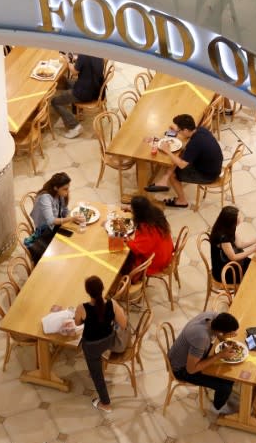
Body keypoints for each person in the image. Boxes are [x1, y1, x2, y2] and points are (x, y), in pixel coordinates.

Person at [167, 311, 239, 414]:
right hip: (180, 369)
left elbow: (218, 333)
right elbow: (191, 370)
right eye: (230, 333)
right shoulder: (201, 338)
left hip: (186, 355)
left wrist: (224, 339)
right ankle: (217, 408)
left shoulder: (212, 316)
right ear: (222, 331)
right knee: (225, 385)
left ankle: (221, 395)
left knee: (227, 370)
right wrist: (219, 355)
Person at [74, 275, 128, 413]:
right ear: (103, 288)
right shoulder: (112, 304)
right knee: (96, 366)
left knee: (97, 375)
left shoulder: (82, 308)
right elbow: (123, 324)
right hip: (108, 341)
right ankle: (98, 368)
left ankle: (106, 403)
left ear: (87, 292)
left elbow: (77, 323)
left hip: (91, 346)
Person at [145, 113, 223, 208]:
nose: (178, 131)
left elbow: (182, 165)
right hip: (213, 166)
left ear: (185, 130)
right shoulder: (201, 130)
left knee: (174, 174)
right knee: (181, 155)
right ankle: (164, 180)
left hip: (208, 175)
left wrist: (167, 151)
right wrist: (176, 131)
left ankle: (182, 201)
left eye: (179, 130)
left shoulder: (195, 144)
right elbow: (187, 140)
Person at [25, 172, 85, 263]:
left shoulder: (59, 195)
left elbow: (64, 211)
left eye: (68, 188)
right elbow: (51, 221)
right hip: (45, 231)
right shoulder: (45, 198)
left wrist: (73, 215)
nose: (67, 191)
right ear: (56, 188)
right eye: (65, 189)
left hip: (55, 227)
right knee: (66, 251)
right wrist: (71, 218)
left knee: (76, 239)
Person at [51, 53, 105, 139]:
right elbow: (86, 64)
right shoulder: (97, 51)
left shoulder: (83, 55)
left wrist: (68, 61)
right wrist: (77, 59)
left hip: (85, 92)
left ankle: (75, 126)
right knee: (66, 82)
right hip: (96, 88)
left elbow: (74, 72)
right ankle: (75, 112)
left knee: (55, 102)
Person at [209, 206, 256, 285]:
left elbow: (240, 245)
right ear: (231, 221)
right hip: (225, 270)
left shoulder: (229, 227)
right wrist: (254, 249)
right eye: (238, 217)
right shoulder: (223, 238)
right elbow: (233, 257)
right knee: (253, 276)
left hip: (231, 262)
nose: (241, 218)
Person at [123, 196, 174, 282]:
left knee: (126, 256)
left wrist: (126, 240)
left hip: (157, 261)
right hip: (166, 251)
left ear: (138, 213)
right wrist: (130, 210)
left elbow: (138, 249)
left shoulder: (146, 228)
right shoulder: (155, 213)